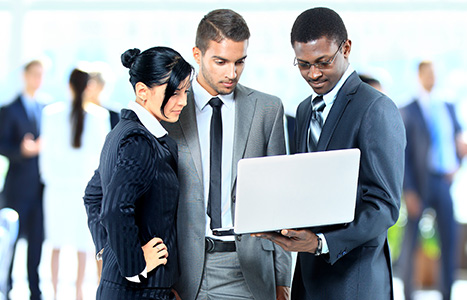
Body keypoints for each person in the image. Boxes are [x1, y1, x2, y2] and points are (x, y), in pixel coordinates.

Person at [256, 7, 406, 300]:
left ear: (346, 48)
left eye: (323, 62)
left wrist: (321, 242)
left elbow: (384, 205)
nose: (313, 74)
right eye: (303, 64)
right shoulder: (304, 109)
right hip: (310, 278)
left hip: (355, 280)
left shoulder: (375, 108)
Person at [162, 9, 292, 300]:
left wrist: (283, 279)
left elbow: (279, 202)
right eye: (220, 62)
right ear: (197, 54)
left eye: (239, 62)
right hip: (182, 270)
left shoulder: (266, 110)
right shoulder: (170, 111)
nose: (231, 73)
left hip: (246, 268)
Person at [83, 46, 193, 299]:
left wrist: (107, 249)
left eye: (186, 91)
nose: (184, 101)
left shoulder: (122, 131)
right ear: (142, 91)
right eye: (175, 93)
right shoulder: (140, 141)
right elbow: (115, 208)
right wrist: (135, 264)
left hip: (131, 287)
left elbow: (93, 195)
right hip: (137, 290)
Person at [39, 67, 112, 300]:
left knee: (56, 244)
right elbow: (105, 159)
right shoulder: (100, 116)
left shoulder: (50, 113)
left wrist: (50, 179)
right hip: (86, 191)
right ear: (88, 86)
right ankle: (80, 293)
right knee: (84, 246)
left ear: (69, 85)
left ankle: (55, 293)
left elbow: (45, 155)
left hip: (57, 188)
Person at [397, 61, 464, 300]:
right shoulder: (408, 108)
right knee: (410, 241)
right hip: (419, 184)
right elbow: (403, 152)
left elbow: (457, 139)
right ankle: (408, 293)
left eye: (435, 73)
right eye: (427, 73)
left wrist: (457, 165)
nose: (432, 78)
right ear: (419, 76)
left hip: (443, 180)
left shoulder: (447, 106)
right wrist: (409, 190)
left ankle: (448, 294)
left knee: (450, 238)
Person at [0, 60, 45, 300]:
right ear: (24, 76)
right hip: (17, 188)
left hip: (40, 188)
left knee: (37, 242)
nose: (38, 79)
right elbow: (2, 144)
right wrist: (21, 150)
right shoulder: (9, 109)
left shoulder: (46, 107)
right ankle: (5, 289)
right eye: (34, 74)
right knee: (12, 242)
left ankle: (35, 291)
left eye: (41, 74)